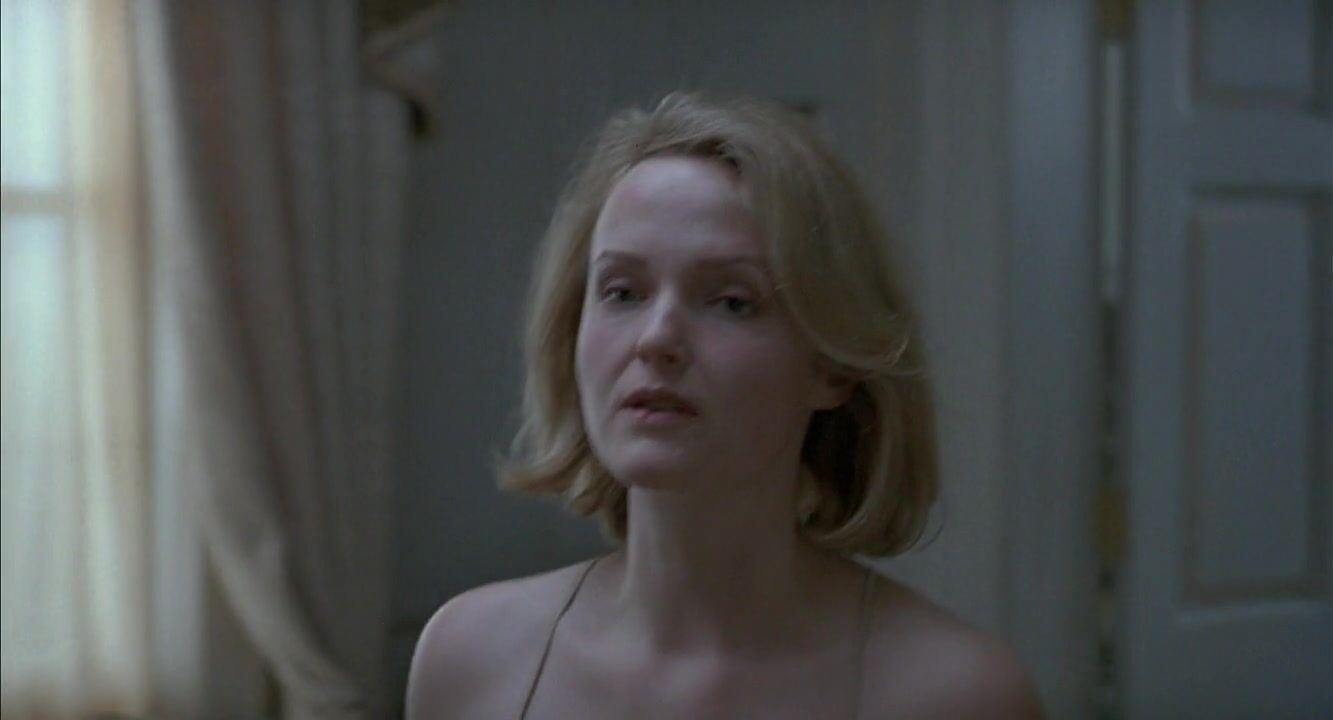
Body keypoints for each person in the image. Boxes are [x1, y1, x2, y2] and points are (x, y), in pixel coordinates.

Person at [406, 91, 1042, 719]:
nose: (656, 338)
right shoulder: (472, 660)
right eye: (622, 292)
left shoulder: (958, 695)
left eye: (733, 301)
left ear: (832, 366)